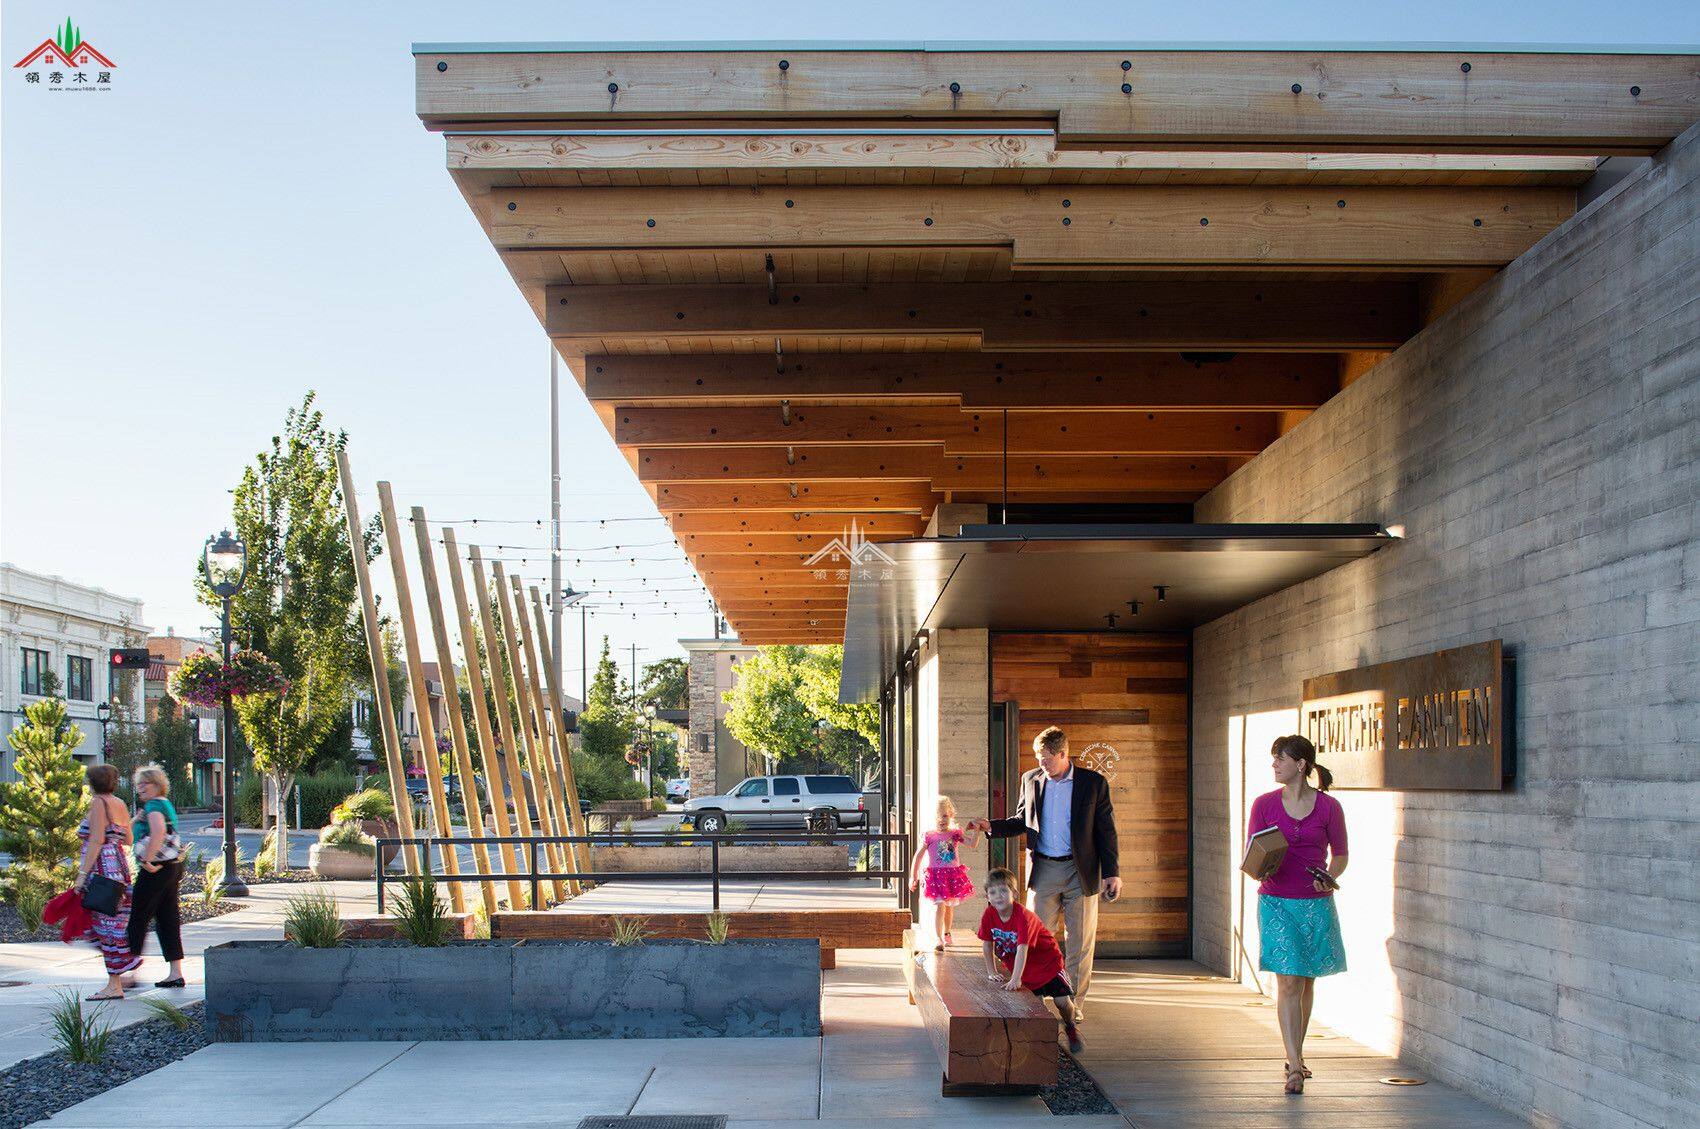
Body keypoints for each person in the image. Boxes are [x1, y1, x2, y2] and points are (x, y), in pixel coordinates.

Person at [972, 725, 1119, 1019]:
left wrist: (1112, 872)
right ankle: (1034, 1001)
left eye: (1047, 759)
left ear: (1063, 754)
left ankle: (1073, 1005)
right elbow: (1021, 821)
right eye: (1039, 758)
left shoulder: (1093, 783)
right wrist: (992, 827)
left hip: (1082, 871)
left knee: (1079, 942)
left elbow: (1106, 830)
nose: (1041, 765)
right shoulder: (1031, 780)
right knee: (1035, 938)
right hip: (1045, 869)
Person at [1249, 734, 1349, 1095]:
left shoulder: (1329, 807)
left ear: (1301, 765)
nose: (1274, 765)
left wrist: (1330, 877)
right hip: (1275, 900)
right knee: (1288, 980)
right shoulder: (1263, 804)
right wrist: (1259, 865)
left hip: (1315, 901)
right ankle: (1294, 1065)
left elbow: (1340, 855)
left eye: (1280, 759)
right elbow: (1253, 852)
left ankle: (1297, 1054)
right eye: (1274, 759)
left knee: (1306, 980)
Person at [978, 867, 1083, 1053]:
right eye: (992, 892)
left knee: (1062, 1002)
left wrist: (1015, 978)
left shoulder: (1023, 917)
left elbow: (1022, 948)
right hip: (1024, 969)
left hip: (1048, 964)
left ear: (1015, 894)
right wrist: (991, 972)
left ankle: (1070, 1026)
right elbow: (987, 945)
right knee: (1035, 1008)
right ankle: (1044, 1044)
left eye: (1003, 890)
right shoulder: (989, 916)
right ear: (987, 896)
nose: (998, 896)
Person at [73, 764, 141, 999]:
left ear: (92, 783)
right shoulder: (120, 803)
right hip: (119, 868)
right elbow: (129, 839)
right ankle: (119, 976)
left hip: (102, 870)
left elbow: (96, 841)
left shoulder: (98, 803)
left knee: (104, 928)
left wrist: (82, 874)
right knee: (113, 925)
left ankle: (114, 984)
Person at [127, 764, 187, 988]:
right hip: (172, 867)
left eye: (145, 783)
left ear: (157, 785)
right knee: (168, 918)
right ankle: (175, 972)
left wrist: (147, 860)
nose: (140, 787)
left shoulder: (154, 805)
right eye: (138, 784)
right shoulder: (164, 804)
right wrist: (135, 819)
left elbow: (159, 832)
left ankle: (129, 972)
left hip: (155, 869)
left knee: (138, 917)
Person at [908, 796, 978, 950]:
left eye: (945, 815)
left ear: (951, 815)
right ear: (933, 818)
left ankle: (947, 933)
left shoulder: (955, 834)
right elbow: (918, 856)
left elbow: (972, 844)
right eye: (938, 816)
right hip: (936, 877)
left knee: (949, 908)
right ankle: (939, 938)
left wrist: (977, 831)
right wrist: (913, 876)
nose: (942, 819)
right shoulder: (930, 836)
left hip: (952, 876)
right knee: (940, 905)